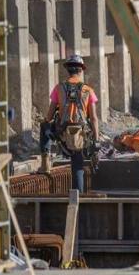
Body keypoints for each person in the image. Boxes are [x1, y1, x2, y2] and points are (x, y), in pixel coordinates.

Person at [39, 54, 99, 193]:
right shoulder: (88, 90)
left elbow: (49, 115)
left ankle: (45, 162)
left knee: (44, 126)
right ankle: (78, 194)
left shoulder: (58, 88)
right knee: (77, 164)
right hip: (80, 135)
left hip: (61, 133)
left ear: (68, 70)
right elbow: (94, 118)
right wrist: (96, 140)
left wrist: (48, 124)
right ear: (81, 70)